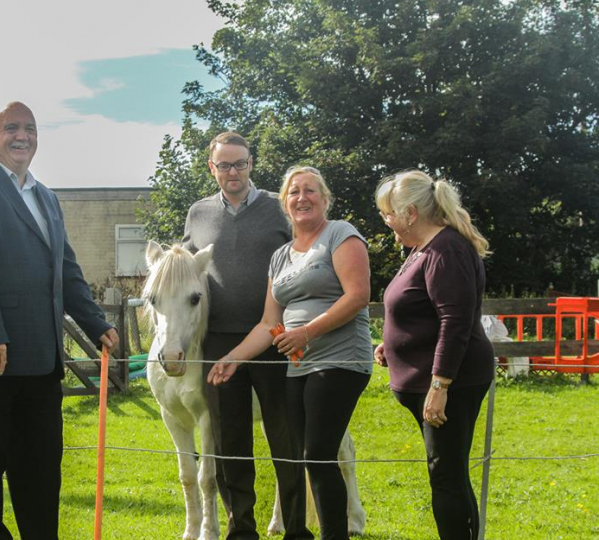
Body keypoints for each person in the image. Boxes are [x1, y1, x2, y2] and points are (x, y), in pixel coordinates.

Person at [0, 101, 118, 540]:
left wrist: (96, 323)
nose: (22, 136)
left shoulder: (46, 197)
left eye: (30, 129)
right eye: (11, 127)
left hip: (40, 359)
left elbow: (66, 270)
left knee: (39, 471)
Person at [208, 166, 373, 540]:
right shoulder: (280, 256)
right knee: (304, 455)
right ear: (285, 203)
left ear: (325, 199)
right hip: (298, 367)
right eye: (294, 192)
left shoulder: (340, 234)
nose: (302, 197)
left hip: (340, 359)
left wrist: (307, 333)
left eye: (311, 190)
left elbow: (357, 296)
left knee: (317, 453)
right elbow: (268, 324)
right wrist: (233, 357)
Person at [183, 133, 312, 540]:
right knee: (228, 443)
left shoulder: (280, 207)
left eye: (239, 163)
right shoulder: (198, 213)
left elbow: (305, 257)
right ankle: (242, 530)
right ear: (212, 168)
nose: (232, 172)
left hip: (276, 337)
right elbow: (186, 268)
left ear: (251, 164)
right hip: (218, 343)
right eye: (224, 165)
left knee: (286, 438)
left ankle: (296, 529)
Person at [372, 170, 494, 540]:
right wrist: (392, 345)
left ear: (410, 213)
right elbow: (421, 311)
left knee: (446, 476)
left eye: (388, 213)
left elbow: (455, 320)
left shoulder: (446, 250)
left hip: (451, 383)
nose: (385, 220)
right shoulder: (421, 249)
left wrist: (440, 384)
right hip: (428, 380)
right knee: (448, 473)